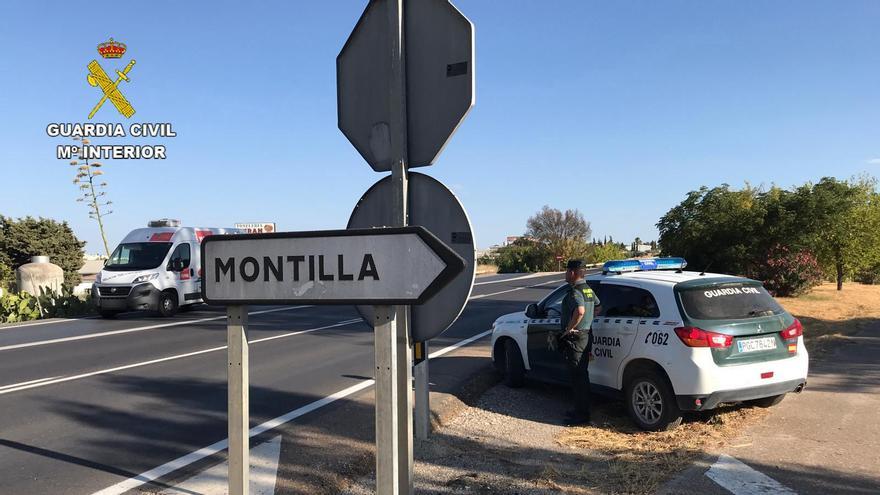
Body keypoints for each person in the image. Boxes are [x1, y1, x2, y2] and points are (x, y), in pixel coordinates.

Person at [557, 259, 600, 425]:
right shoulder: (588, 290)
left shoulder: (575, 291)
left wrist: (569, 328)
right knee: (582, 375)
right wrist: (588, 321)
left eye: (567, 271)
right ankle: (580, 410)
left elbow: (580, 310)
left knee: (578, 377)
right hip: (587, 335)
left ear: (573, 273)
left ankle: (581, 414)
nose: (565, 273)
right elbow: (598, 307)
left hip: (576, 338)